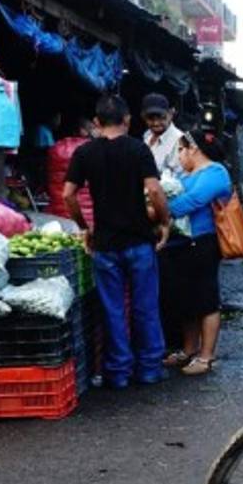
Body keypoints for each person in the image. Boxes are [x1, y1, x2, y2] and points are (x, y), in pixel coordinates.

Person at [64, 94, 169, 388]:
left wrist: (85, 227)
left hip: (105, 244)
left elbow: (67, 194)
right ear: (127, 120)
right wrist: (163, 221)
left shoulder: (84, 153)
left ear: (97, 123)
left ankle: (118, 372)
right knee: (145, 306)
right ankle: (149, 369)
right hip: (138, 241)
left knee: (112, 309)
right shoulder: (138, 150)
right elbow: (156, 191)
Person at [159, 128, 232, 376]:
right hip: (181, 244)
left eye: (181, 150)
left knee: (206, 299)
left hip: (203, 242)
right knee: (186, 300)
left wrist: (159, 210)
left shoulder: (216, 172)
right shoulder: (189, 175)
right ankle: (188, 350)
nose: (179, 156)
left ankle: (206, 356)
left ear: (194, 149)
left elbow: (192, 201)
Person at [141, 93, 185, 178]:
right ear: (143, 117)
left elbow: (179, 178)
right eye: (151, 118)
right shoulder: (147, 135)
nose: (156, 123)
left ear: (170, 114)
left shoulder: (180, 140)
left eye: (161, 117)